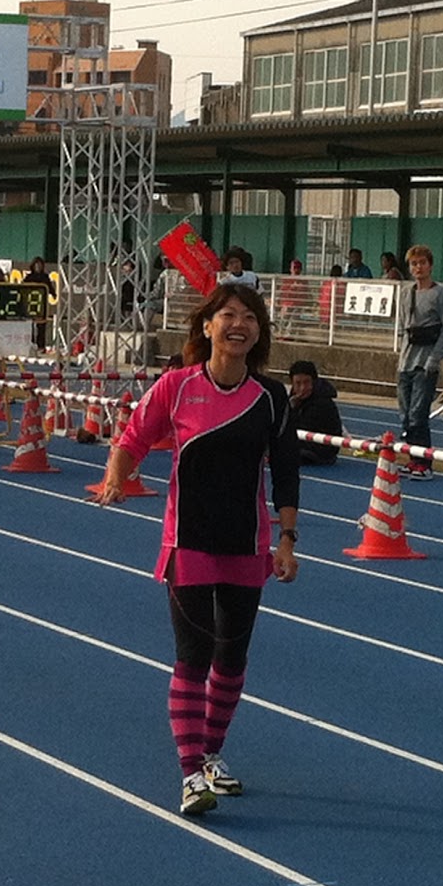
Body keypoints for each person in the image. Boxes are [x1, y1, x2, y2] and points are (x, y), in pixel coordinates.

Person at [95, 283, 300, 817]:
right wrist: (116, 477)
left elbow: (286, 472)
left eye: (249, 317)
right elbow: (134, 437)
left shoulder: (270, 397)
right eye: (228, 315)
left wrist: (286, 539)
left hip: (247, 544)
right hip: (188, 542)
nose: (239, 324)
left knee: (232, 661)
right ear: (207, 326)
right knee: (194, 657)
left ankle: (212, 754)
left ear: (258, 332)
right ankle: (190, 774)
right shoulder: (177, 386)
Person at [396, 244, 443, 479]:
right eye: (414, 264)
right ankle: (413, 459)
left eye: (422, 263)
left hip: (426, 363)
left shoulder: (441, 294)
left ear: (430, 265)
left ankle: (424, 463)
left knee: (418, 415)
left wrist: (434, 359)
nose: (418, 267)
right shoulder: (405, 293)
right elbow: (403, 327)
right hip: (405, 362)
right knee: (405, 415)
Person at [287, 359, 344, 464]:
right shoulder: (295, 399)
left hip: (322, 450)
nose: (302, 388)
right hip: (304, 443)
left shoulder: (322, 403)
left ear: (314, 382)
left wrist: (291, 409)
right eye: (298, 383)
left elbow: (298, 428)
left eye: (306, 382)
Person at [23, 255, 55, 350]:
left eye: (40, 265)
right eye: (36, 265)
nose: (38, 267)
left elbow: (49, 287)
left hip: (42, 304)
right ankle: (30, 343)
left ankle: (41, 345)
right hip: (31, 304)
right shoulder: (29, 277)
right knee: (30, 326)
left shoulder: (45, 277)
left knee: (41, 325)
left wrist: (53, 294)